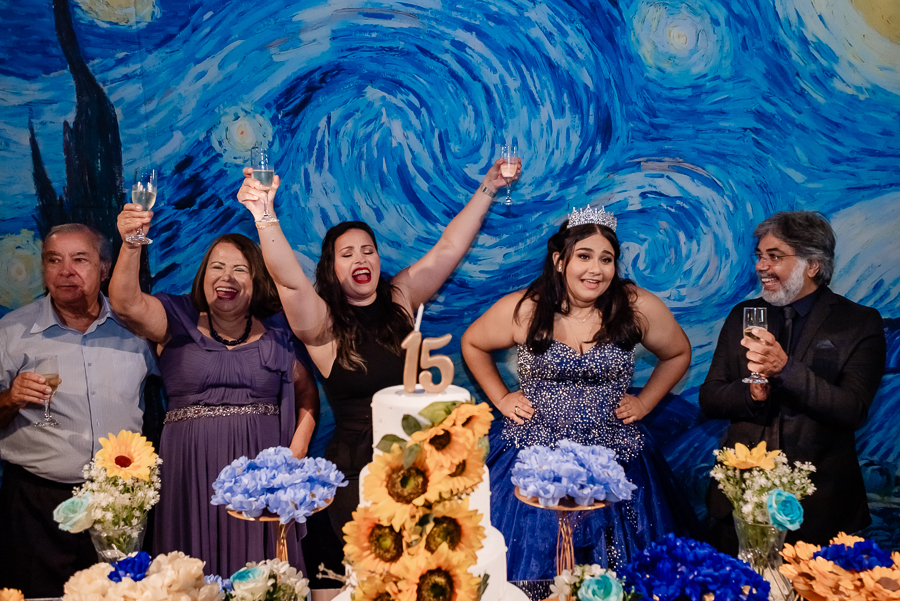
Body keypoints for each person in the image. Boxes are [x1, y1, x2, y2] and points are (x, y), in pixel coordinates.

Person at [235, 156, 519, 539]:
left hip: (420, 462)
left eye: (367, 250)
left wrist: (489, 186)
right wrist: (264, 215)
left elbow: (448, 248)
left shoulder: (400, 298)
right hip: (358, 469)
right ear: (331, 269)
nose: (360, 258)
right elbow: (289, 282)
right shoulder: (322, 324)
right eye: (347, 254)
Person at [461, 206, 695, 579]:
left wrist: (645, 401)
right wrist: (502, 398)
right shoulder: (526, 308)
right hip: (533, 454)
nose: (596, 269)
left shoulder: (635, 306)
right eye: (584, 256)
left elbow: (678, 353)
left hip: (618, 456)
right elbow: (473, 343)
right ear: (559, 261)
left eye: (606, 259)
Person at [109, 206, 320, 577]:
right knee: (189, 577)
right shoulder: (175, 318)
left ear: (256, 281)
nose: (227, 277)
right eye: (217, 267)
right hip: (189, 474)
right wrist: (130, 244)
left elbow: (306, 395)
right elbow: (125, 304)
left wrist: (296, 453)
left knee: (260, 580)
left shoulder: (278, 334)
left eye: (240, 269)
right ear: (203, 276)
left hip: (258, 481)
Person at [700, 211, 886, 549]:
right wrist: (751, 395)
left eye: (774, 256)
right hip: (738, 502)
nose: (761, 266)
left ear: (812, 265)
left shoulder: (858, 322)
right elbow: (710, 397)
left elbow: (852, 410)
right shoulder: (743, 315)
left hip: (820, 508)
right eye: (759, 255)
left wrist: (785, 369)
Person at [0, 223, 157, 597]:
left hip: (121, 503)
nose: (65, 271)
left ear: (105, 268)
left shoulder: (137, 330)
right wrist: (11, 398)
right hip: (38, 507)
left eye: (79, 259)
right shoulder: (11, 332)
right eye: (54, 260)